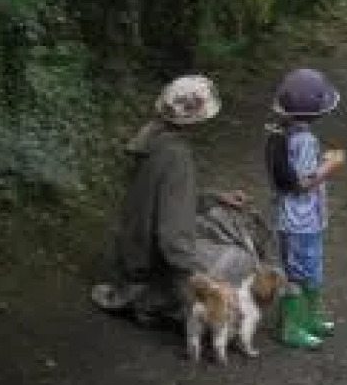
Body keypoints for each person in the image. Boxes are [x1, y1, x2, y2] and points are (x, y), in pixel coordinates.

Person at [90, 74, 238, 325]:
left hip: (131, 256)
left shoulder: (149, 141)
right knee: (235, 260)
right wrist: (195, 278)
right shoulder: (177, 156)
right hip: (148, 270)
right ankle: (152, 303)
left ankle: (141, 294)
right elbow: (173, 235)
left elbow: (161, 199)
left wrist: (215, 198)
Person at [267, 67, 346, 350]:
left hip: (298, 219)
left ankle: (310, 318)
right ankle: (291, 328)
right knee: (298, 274)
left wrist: (320, 162)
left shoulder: (284, 132)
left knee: (311, 270)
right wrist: (330, 166)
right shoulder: (304, 140)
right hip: (299, 221)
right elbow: (302, 184)